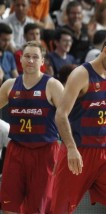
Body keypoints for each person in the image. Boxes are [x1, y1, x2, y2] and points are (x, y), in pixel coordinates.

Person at [51, 33, 106, 214]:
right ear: (105, 51)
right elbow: (61, 115)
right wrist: (71, 148)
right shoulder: (80, 75)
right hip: (80, 149)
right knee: (60, 209)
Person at [0, 41, 63, 213]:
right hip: (17, 149)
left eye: (35, 57)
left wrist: (70, 146)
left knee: (38, 208)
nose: (31, 60)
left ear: (42, 61)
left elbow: (67, 116)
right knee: (9, 206)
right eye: (27, 56)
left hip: (44, 151)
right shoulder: (10, 85)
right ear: (20, 60)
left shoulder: (52, 85)